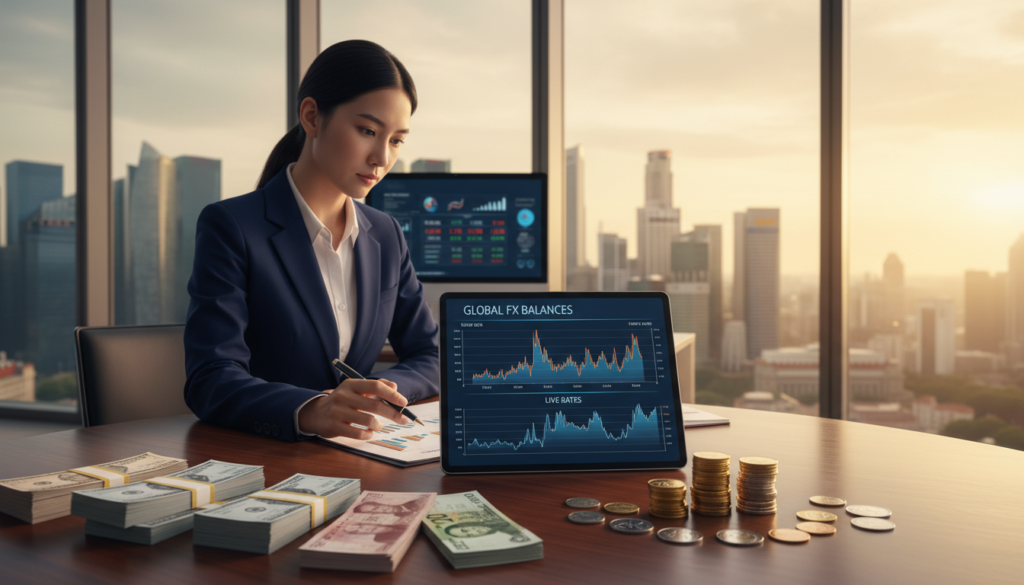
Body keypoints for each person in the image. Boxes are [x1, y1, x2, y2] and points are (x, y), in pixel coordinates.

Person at [183, 40, 438, 443]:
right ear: (312, 117)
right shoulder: (231, 226)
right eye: (368, 131)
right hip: (268, 460)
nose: (381, 158)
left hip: (364, 455)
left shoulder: (385, 234)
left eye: (396, 140)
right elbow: (211, 378)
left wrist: (378, 393)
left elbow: (431, 353)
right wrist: (313, 409)